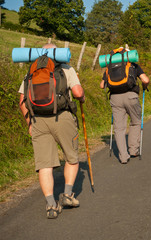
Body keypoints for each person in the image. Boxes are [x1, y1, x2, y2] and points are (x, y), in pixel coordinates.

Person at [18, 43, 85, 219]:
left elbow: (21, 101)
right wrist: (82, 97)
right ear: (59, 54)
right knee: (72, 157)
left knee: (44, 165)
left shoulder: (32, 71)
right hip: (62, 117)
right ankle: (68, 195)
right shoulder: (65, 68)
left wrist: (30, 124)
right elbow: (77, 93)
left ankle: (51, 205)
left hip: (38, 120)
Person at [100, 47, 150, 164]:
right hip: (131, 96)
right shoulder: (133, 65)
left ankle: (123, 156)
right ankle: (133, 150)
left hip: (115, 98)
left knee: (119, 128)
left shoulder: (109, 68)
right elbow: (145, 80)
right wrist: (145, 86)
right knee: (136, 121)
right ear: (129, 56)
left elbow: (102, 85)